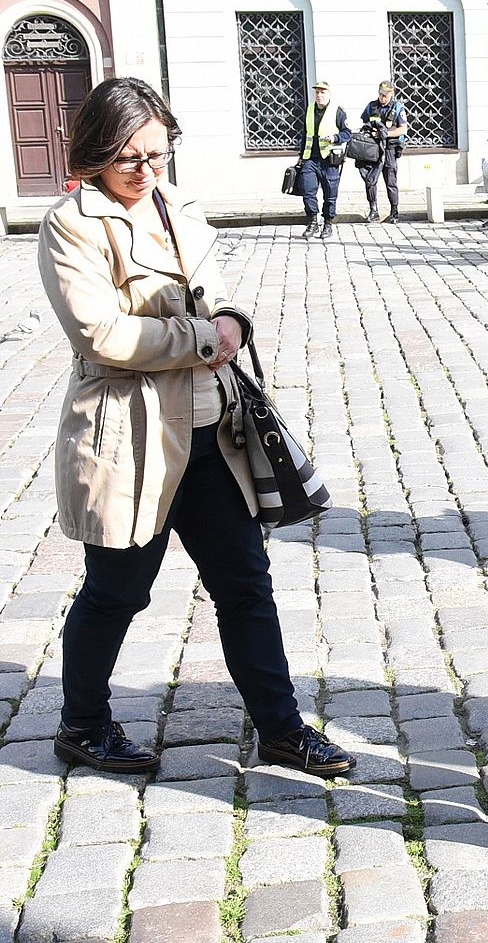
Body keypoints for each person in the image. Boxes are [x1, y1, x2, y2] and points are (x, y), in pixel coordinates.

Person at [38, 77, 355, 778]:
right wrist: (207, 338)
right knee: (117, 591)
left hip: (213, 433)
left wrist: (234, 321)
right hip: (132, 439)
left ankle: (280, 728)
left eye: (159, 152)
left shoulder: (179, 204)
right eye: (130, 159)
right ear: (94, 153)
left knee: (246, 585)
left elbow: (214, 301)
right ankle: (81, 723)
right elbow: (103, 335)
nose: (148, 171)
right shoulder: (73, 223)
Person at [297, 80, 350, 239]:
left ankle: (328, 223)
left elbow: (348, 133)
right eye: (317, 92)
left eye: (323, 92)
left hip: (329, 160)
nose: (319, 95)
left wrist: (335, 137)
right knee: (307, 191)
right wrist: (301, 156)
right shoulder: (309, 109)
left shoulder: (337, 111)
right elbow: (305, 134)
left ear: (329, 94)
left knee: (330, 194)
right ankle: (313, 221)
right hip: (310, 159)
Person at [358, 80, 409, 224]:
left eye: (386, 95)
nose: (383, 97)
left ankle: (394, 211)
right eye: (381, 94)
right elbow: (364, 124)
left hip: (389, 149)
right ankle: (373, 210)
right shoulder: (371, 106)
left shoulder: (398, 108)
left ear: (392, 94)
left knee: (390, 181)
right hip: (373, 149)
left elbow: (402, 130)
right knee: (370, 179)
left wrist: (383, 133)